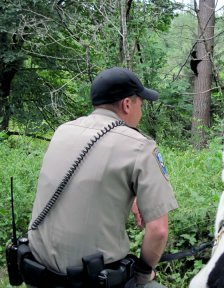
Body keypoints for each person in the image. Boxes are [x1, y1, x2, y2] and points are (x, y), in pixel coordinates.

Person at [27, 67, 178, 288]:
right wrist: (144, 273)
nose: (141, 111)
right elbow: (158, 230)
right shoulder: (140, 146)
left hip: (37, 271)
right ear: (127, 104)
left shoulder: (63, 131)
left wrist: (133, 194)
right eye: (141, 104)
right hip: (92, 280)